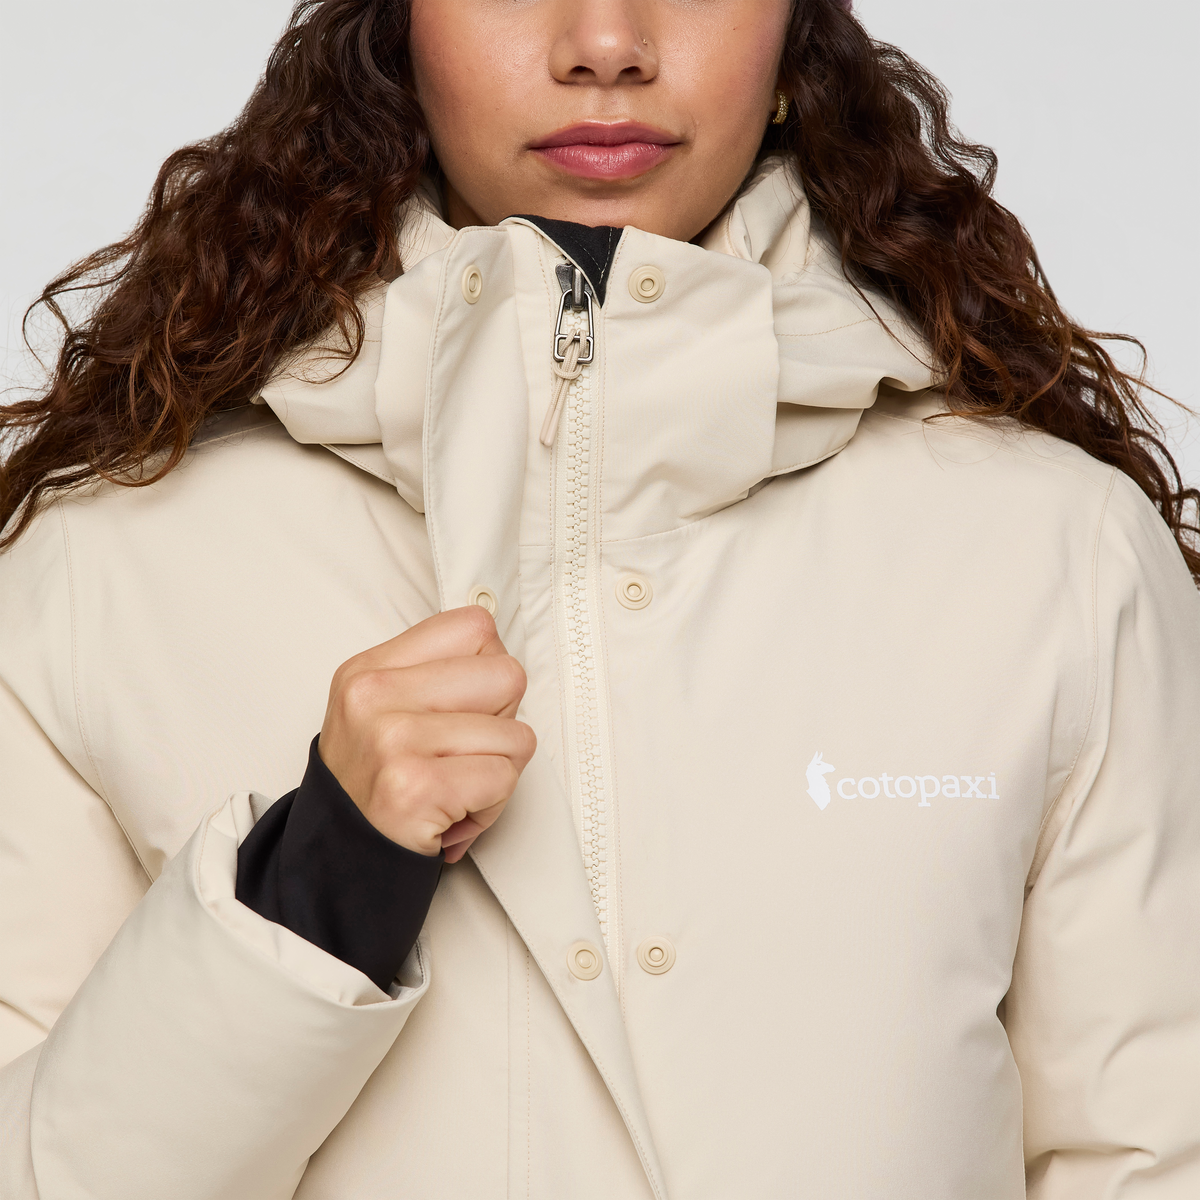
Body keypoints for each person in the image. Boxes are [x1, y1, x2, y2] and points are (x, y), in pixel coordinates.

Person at [1, 0, 1198, 1196]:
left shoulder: (1057, 555)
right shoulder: (101, 573)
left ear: (794, 37)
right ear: (398, 28)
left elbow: (1151, 1157)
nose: (607, 44)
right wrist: (313, 897)